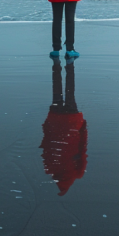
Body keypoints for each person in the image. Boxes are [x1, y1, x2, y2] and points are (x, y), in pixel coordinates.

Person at [39, 56, 87, 195]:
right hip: (55, 120)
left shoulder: (77, 173)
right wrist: (46, 125)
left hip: (72, 121)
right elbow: (46, 144)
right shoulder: (49, 168)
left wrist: (83, 127)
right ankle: (57, 64)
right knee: (57, 91)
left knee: (70, 91)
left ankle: (69, 65)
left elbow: (83, 148)